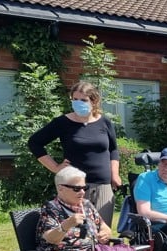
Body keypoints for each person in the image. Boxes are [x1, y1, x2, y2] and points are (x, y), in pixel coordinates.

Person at [28, 81, 121, 225]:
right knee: (78, 233)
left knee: (103, 233)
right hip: (74, 187)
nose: (78, 103)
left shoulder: (105, 122)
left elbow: (113, 150)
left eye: (83, 100)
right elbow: (34, 143)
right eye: (75, 99)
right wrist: (55, 168)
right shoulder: (62, 122)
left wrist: (115, 174)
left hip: (102, 186)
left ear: (94, 101)